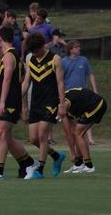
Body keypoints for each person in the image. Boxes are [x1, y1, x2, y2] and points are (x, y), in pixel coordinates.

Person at [0, 29, 38, 180]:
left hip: (9, 101)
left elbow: (8, 79)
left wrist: (3, 101)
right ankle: (28, 163)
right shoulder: (6, 57)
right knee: (0, 134)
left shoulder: (10, 56)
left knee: (1, 134)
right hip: (4, 101)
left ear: (1, 39)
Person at [22, 32, 67, 179]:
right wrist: (19, 101)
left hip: (51, 102)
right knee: (33, 139)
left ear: (42, 46)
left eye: (37, 50)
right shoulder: (30, 60)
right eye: (32, 51)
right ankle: (56, 156)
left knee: (42, 136)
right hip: (36, 102)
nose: (35, 53)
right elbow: (26, 82)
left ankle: (39, 169)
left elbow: (60, 83)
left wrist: (62, 104)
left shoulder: (55, 59)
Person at [61, 88, 107, 174]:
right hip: (91, 104)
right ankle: (79, 164)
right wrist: (73, 153)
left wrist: (72, 152)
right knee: (77, 133)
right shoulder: (64, 104)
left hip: (97, 104)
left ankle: (89, 166)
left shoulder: (63, 105)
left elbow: (68, 131)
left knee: (78, 133)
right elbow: (69, 131)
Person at [62, 40, 98, 145]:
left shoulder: (84, 60)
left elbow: (90, 74)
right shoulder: (64, 62)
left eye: (79, 47)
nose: (79, 49)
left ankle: (90, 138)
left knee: (86, 115)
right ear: (71, 49)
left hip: (83, 93)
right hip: (69, 94)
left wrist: (95, 89)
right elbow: (60, 79)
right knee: (71, 117)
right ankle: (74, 138)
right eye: (77, 47)